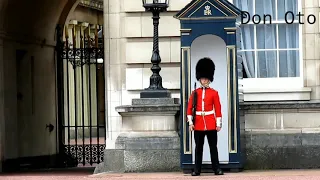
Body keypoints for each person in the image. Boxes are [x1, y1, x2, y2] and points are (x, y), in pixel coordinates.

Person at [186, 57, 224, 176]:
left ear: (209, 79)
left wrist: (218, 124)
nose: (204, 80)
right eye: (202, 78)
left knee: (213, 147)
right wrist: (191, 123)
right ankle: (197, 170)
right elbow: (189, 109)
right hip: (198, 123)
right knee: (198, 148)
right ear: (200, 78)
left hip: (211, 123)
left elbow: (218, 109)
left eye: (206, 78)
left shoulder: (214, 93)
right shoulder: (195, 93)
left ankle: (216, 169)